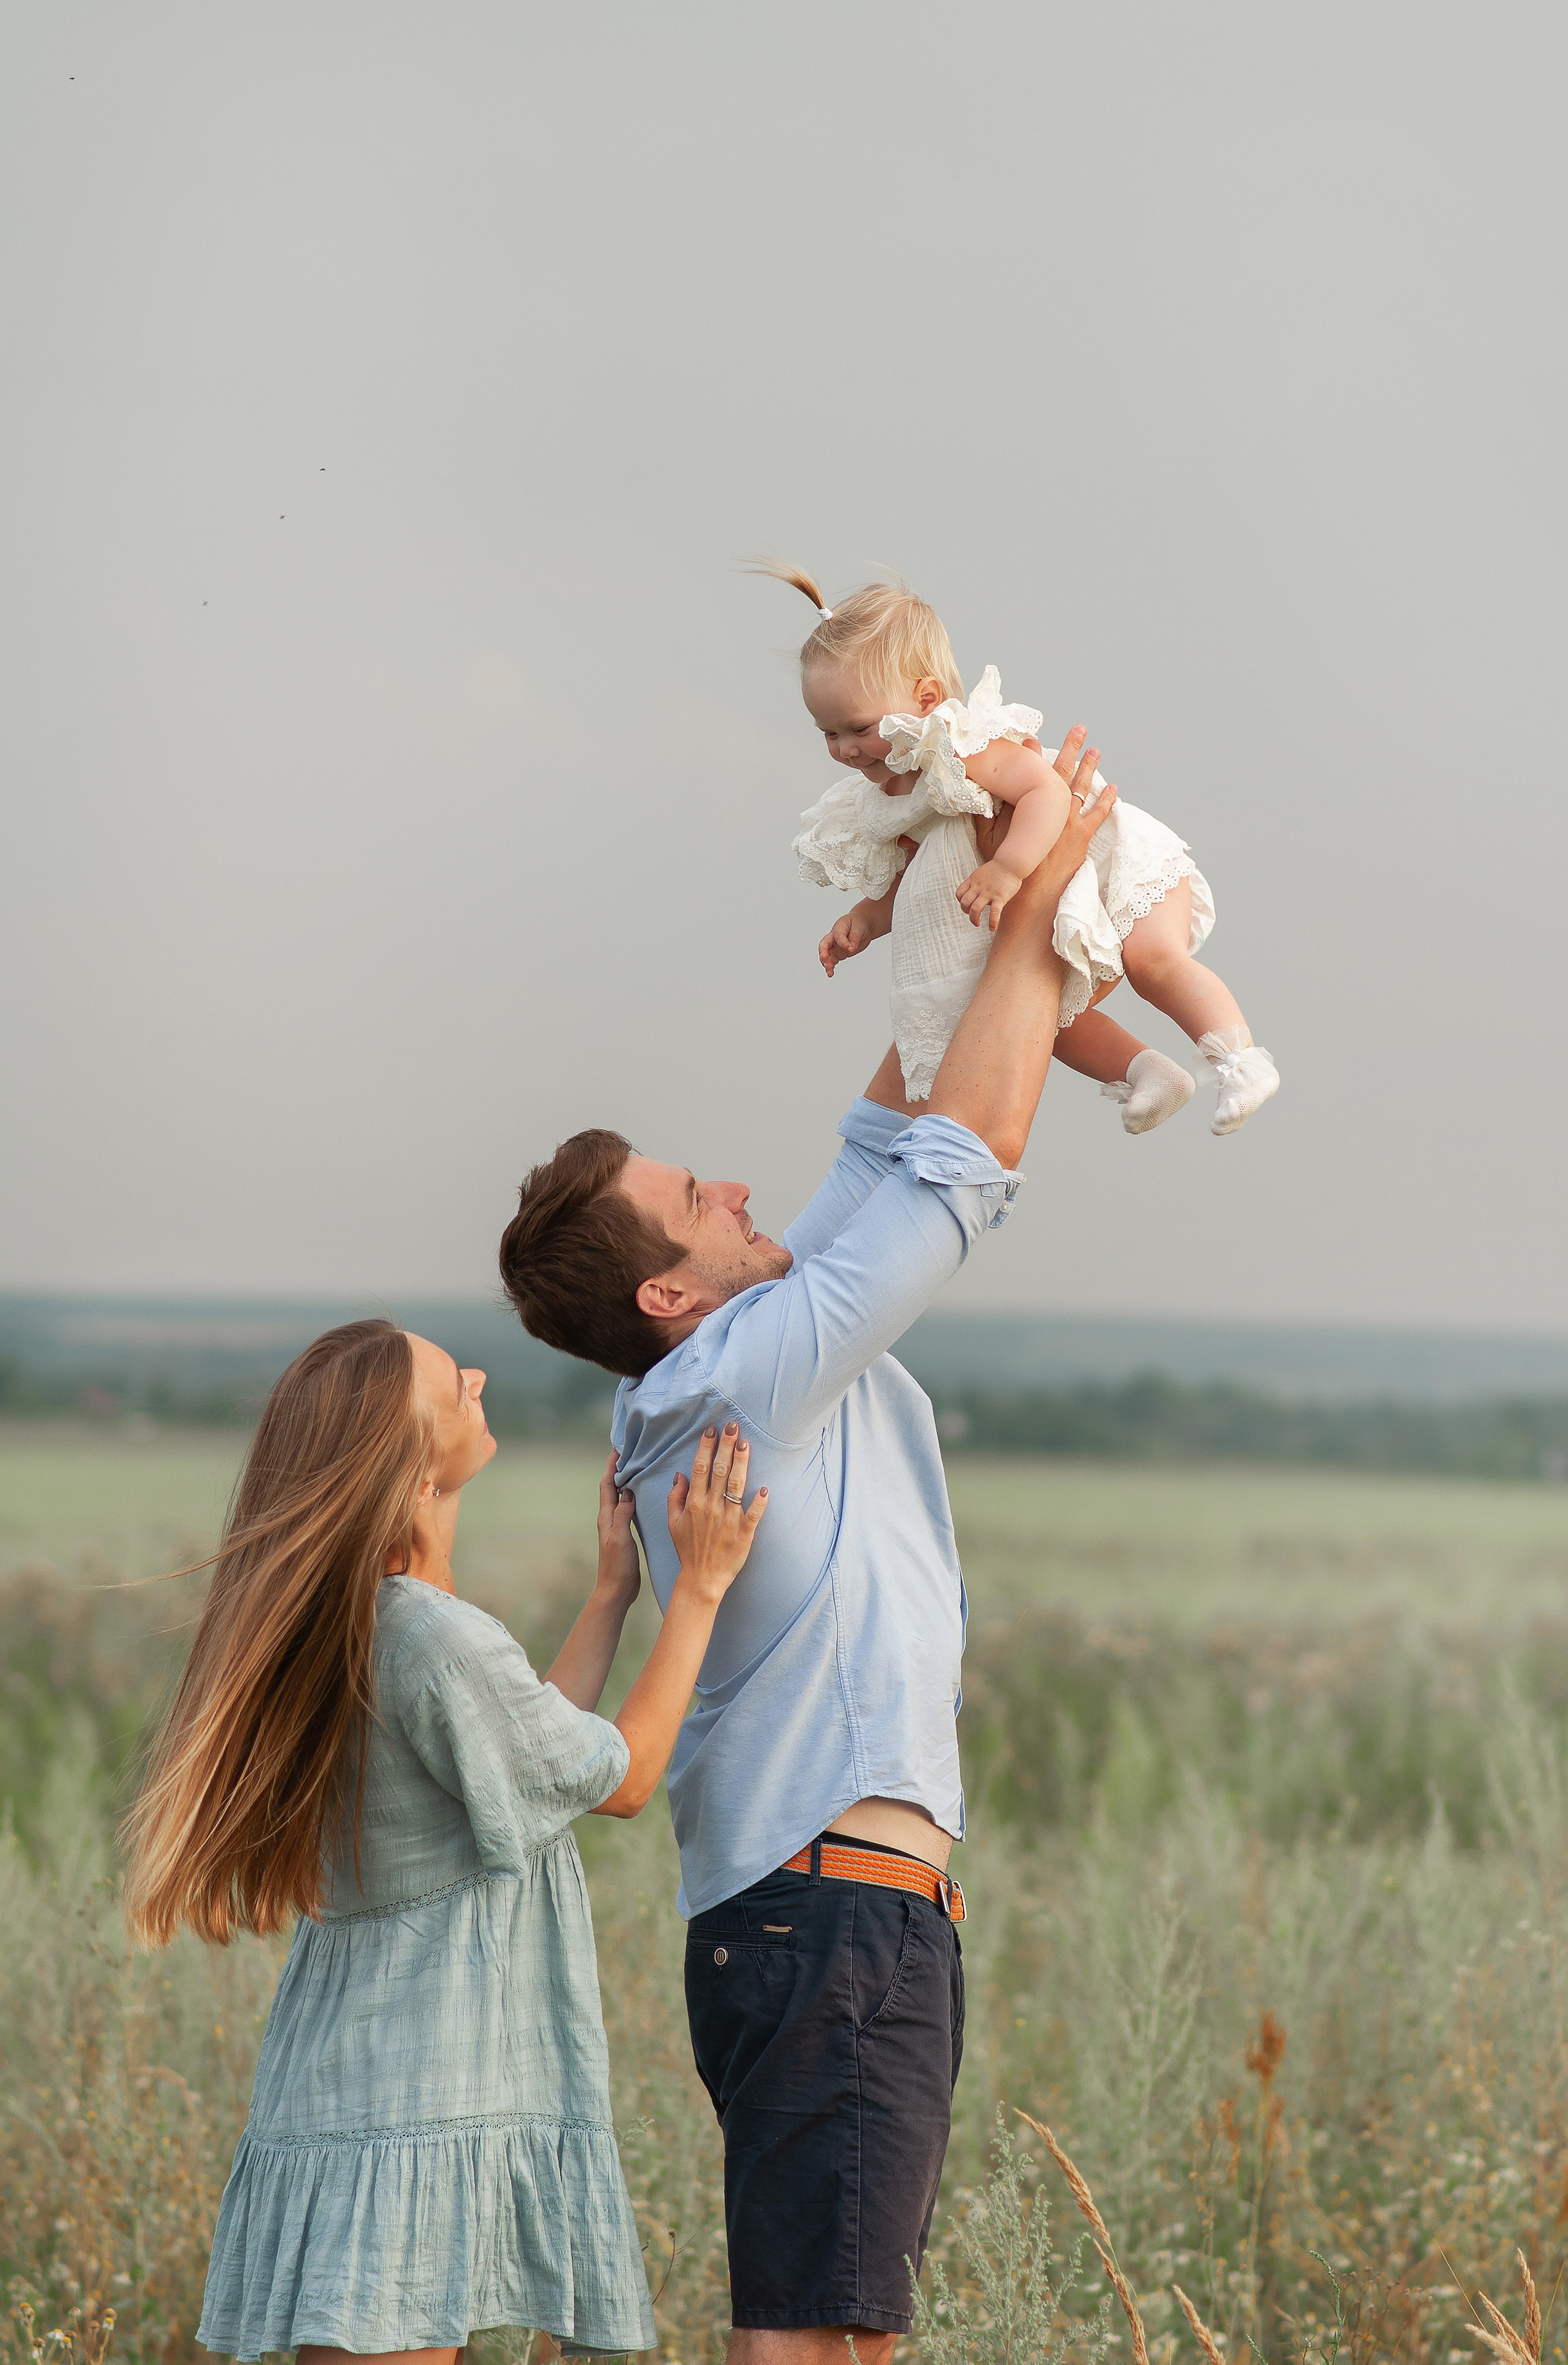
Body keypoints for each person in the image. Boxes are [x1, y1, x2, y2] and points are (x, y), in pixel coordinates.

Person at [496, 730, 1119, 2364]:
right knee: (817, 2344)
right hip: (829, 1917)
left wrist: (959, 877)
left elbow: (890, 1122)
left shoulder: (739, 1352)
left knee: (832, 2331)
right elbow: (964, 1155)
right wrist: (1045, 886)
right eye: (696, 1197)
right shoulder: (735, 1378)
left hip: (828, 1916)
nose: (734, 1180)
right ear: (666, 1297)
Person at [122, 1316, 766, 2364]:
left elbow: (529, 1755)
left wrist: (612, 1593)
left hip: (362, 2082)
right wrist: (699, 1586)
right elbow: (625, 1774)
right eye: (447, 1380)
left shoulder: (379, 1620)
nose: (475, 1374)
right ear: (410, 1456)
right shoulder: (432, 1635)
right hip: (413, 2097)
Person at [771, 561, 1280, 1137]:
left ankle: (1242, 1061)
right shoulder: (896, 793)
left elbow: (1047, 793)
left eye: (858, 729)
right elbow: (921, 876)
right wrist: (865, 919)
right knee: (1044, 1015)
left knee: (1154, 963)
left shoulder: (962, 749)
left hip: (1119, 870)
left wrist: (1010, 868)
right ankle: (1151, 1076)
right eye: (828, 733)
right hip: (1059, 895)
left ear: (926, 699)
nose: (843, 749)